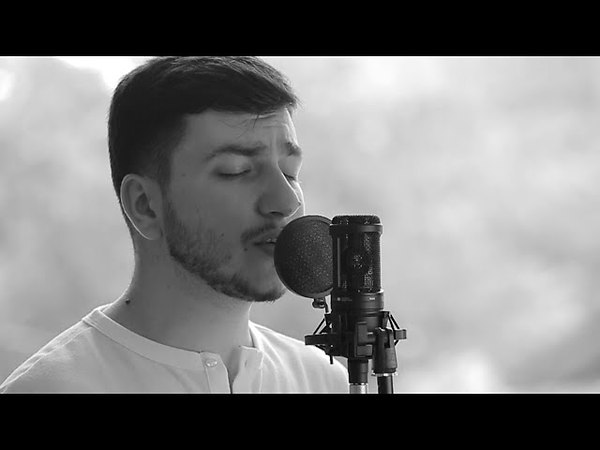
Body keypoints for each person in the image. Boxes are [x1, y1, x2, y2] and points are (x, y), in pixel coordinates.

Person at [0, 56, 349, 393]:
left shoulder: (325, 381)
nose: (287, 201)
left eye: (290, 172)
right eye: (237, 170)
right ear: (144, 205)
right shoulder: (50, 388)